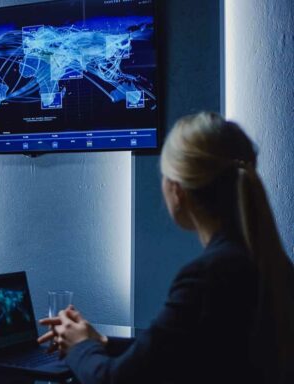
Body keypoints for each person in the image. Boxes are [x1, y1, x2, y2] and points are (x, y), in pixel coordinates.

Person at [38, 112, 294, 384]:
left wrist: (79, 347)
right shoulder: (269, 264)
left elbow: (113, 380)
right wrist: (99, 343)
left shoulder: (206, 277)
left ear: (177, 190)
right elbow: (178, 355)